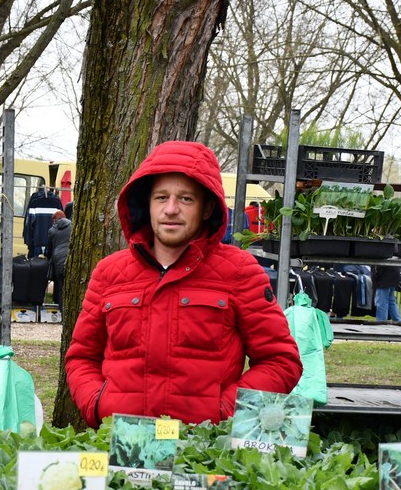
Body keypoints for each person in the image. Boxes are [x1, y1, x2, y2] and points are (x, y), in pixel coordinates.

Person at [65, 141, 303, 428]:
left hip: (202, 452)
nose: (171, 209)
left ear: (207, 209)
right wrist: (97, 405)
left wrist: (226, 413)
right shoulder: (110, 272)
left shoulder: (239, 272)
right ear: (147, 205)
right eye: (161, 198)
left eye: (186, 199)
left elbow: (280, 361)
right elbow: (81, 357)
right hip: (123, 444)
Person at [46, 210, 72, 310]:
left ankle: (63, 312)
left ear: (55, 219)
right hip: (71, 258)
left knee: (61, 287)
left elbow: (49, 250)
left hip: (58, 260)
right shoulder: (73, 226)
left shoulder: (52, 231)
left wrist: (49, 258)